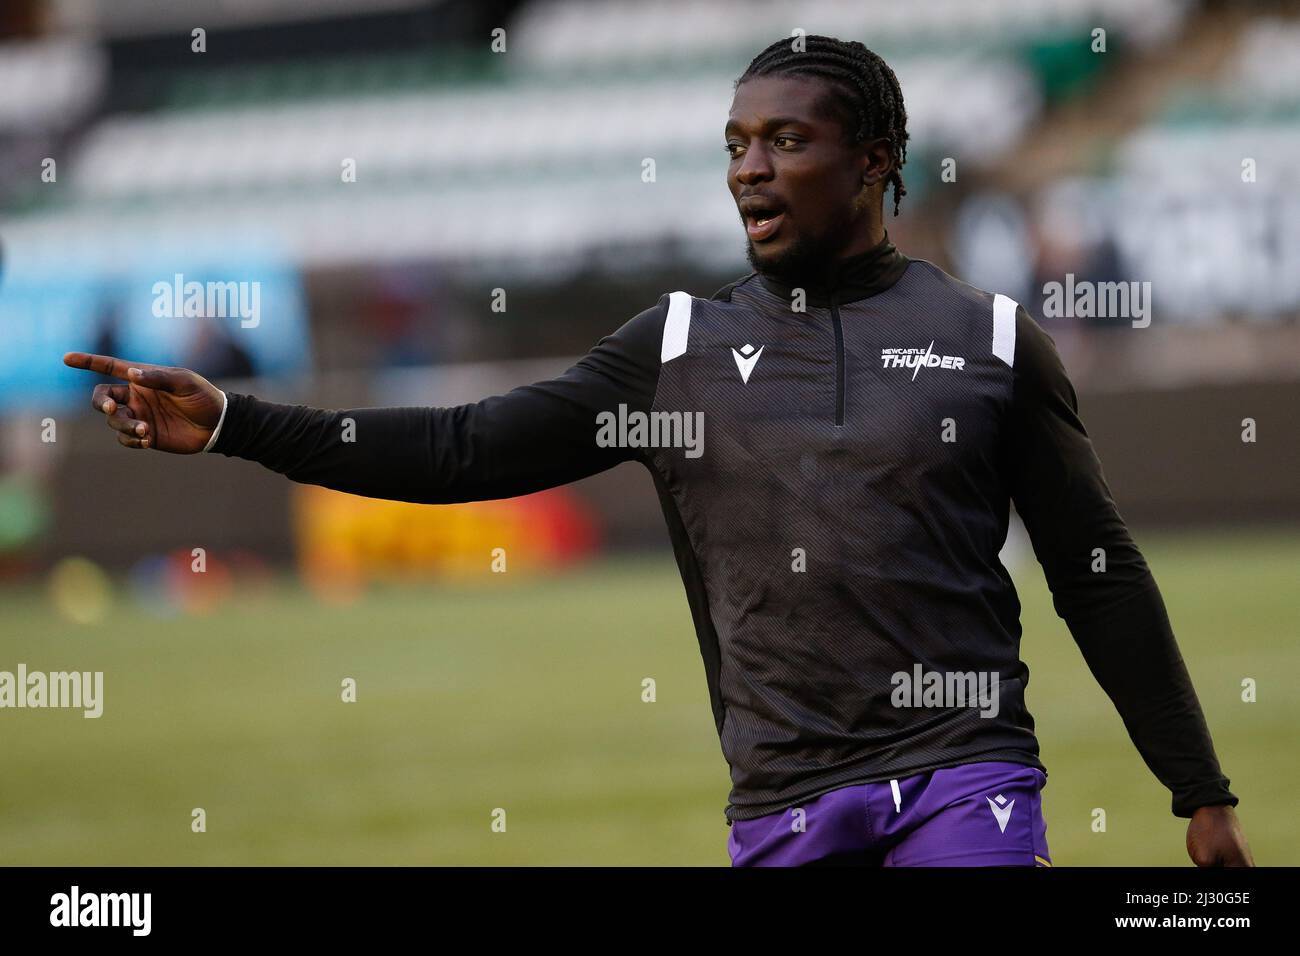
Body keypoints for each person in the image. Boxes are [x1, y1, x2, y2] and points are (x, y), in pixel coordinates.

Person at [64, 35, 1251, 867]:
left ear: (879, 158)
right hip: (781, 802)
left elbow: (1098, 569)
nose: (749, 167)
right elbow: (467, 448)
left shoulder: (991, 337)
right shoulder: (674, 345)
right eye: (736, 143)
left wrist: (1196, 788)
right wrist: (234, 421)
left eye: (786, 140)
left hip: (966, 779)